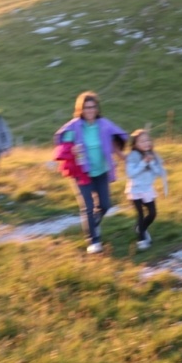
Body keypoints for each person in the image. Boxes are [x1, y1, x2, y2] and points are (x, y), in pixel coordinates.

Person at [54, 91, 127, 254]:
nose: (90, 110)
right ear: (80, 109)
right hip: (82, 172)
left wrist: (122, 156)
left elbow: (116, 138)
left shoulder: (104, 124)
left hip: (101, 171)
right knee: (87, 207)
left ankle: (92, 224)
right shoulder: (74, 125)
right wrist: (71, 149)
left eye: (93, 107)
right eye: (86, 107)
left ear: (97, 108)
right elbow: (63, 143)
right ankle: (93, 240)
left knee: (105, 206)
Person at [124, 129, 168, 251]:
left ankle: (141, 228)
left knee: (152, 213)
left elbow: (159, 172)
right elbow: (131, 173)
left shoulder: (153, 155)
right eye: (142, 141)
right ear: (135, 144)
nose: (146, 143)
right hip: (135, 190)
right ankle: (141, 239)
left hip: (148, 189)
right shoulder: (132, 156)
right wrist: (143, 163)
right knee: (140, 214)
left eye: (148, 140)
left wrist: (152, 162)